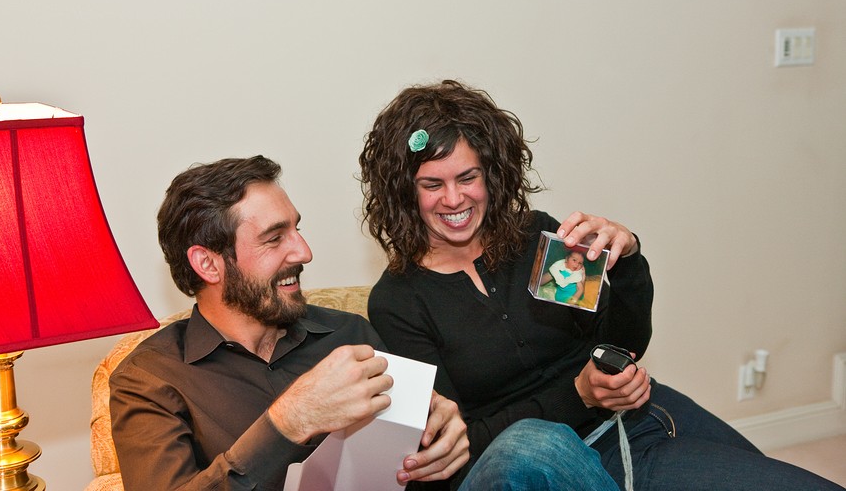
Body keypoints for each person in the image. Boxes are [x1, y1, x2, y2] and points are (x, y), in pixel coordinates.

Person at [358, 80, 845, 491]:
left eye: (468, 177)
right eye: (432, 184)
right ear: (405, 192)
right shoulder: (398, 303)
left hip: (629, 424)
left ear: (492, 173)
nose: (454, 199)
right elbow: (454, 447)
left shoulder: (535, 236)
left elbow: (623, 344)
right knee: (531, 445)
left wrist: (627, 259)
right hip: (522, 465)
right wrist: (579, 395)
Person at [109, 156, 620, 491]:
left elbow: (425, 453)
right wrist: (286, 423)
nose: (303, 252)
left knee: (532, 445)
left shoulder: (349, 335)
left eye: (297, 230)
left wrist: (446, 437)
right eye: (274, 238)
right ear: (208, 263)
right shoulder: (150, 378)